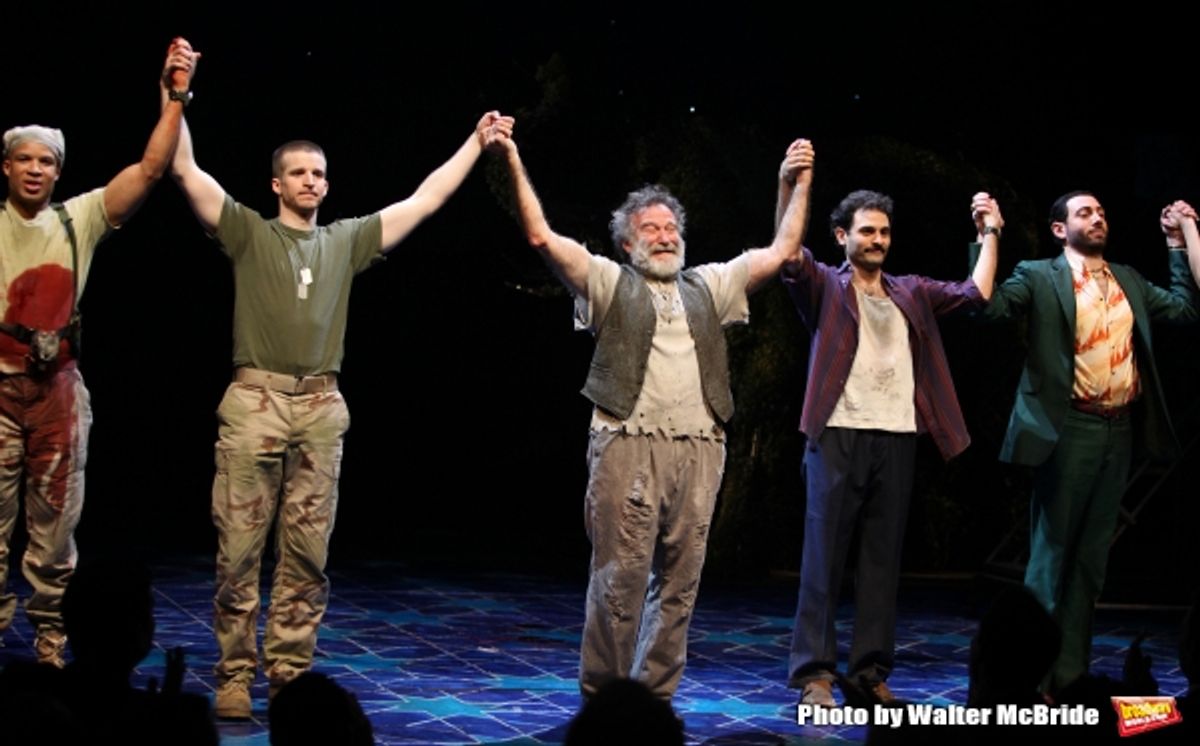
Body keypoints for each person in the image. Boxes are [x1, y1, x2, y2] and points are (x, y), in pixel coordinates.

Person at [166, 39, 513, 718]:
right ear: (276, 183)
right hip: (255, 402)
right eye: (298, 173)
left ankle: (290, 673)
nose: (311, 182)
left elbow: (427, 199)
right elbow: (182, 168)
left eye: (319, 173)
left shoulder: (346, 241)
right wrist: (176, 89)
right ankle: (235, 674)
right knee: (238, 552)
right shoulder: (247, 232)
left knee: (307, 555)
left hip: (320, 406)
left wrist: (475, 144)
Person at [490, 130, 815, 702]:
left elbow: (782, 252)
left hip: (700, 447)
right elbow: (540, 236)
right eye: (650, 230)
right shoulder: (609, 282)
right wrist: (513, 159)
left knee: (680, 587)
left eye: (671, 229)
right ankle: (605, 702)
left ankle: (654, 702)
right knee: (619, 580)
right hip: (627, 444)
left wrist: (794, 183)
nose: (665, 238)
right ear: (626, 244)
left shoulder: (709, 284)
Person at [0, 38, 197, 668]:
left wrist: (174, 96)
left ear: (58, 171)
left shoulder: (75, 218)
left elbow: (148, 170)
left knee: (55, 533)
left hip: (57, 393)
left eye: (46, 162)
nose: (35, 170)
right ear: (6, 167)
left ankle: (52, 637)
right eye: (24, 160)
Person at [780, 160, 1001, 706]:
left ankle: (869, 672)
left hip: (897, 437)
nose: (877, 240)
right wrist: (794, 186)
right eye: (866, 231)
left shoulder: (911, 292)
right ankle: (815, 674)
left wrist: (991, 233)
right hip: (836, 435)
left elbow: (977, 293)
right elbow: (787, 253)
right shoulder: (825, 287)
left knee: (882, 562)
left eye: (883, 232)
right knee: (824, 560)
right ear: (842, 236)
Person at [982, 192, 1200, 693]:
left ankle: (1070, 673)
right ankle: (1027, 679)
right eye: (1085, 212)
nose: (1097, 217)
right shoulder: (1039, 275)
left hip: (1118, 430)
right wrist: (987, 234)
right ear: (1060, 229)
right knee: (1051, 558)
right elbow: (989, 308)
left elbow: (1186, 310)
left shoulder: (1127, 278)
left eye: (1102, 211)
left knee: (1090, 565)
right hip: (1069, 429)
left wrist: (1174, 243)